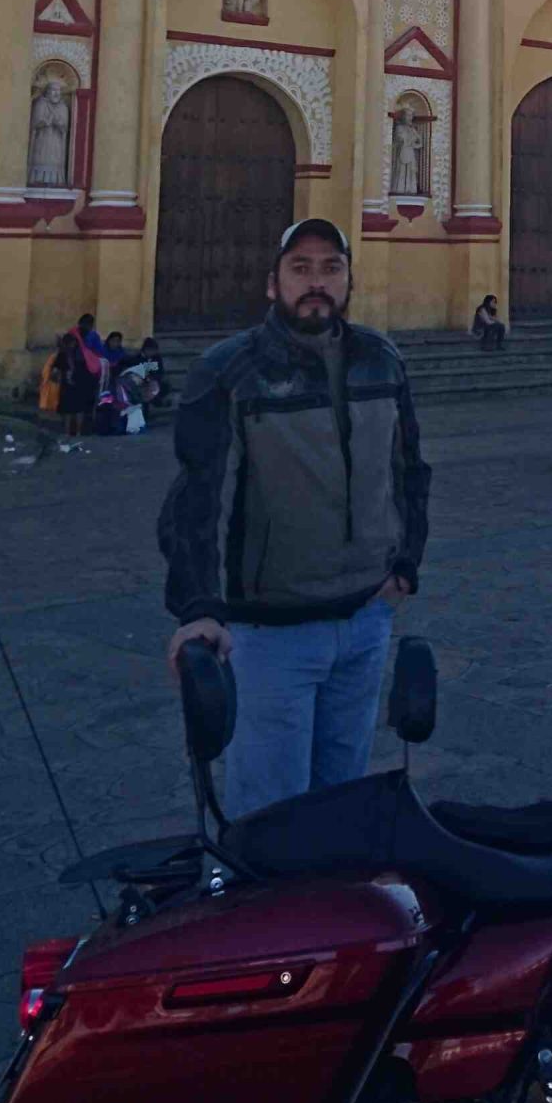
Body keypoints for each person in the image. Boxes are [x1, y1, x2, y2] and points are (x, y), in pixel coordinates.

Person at [158, 218, 430, 822]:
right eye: (301, 269)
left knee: (341, 799)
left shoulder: (380, 360)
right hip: (273, 632)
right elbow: (196, 496)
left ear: (349, 279)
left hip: (363, 620)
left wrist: (406, 563)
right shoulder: (229, 370)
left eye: (331, 268)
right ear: (271, 283)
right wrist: (199, 608)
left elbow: (410, 467)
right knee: (270, 815)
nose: (317, 283)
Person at [56, 311, 105, 440]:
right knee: (79, 406)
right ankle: (78, 430)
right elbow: (99, 352)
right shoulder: (84, 336)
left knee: (76, 406)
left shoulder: (78, 335)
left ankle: (75, 430)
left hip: (82, 372)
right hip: (83, 372)